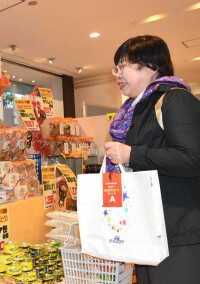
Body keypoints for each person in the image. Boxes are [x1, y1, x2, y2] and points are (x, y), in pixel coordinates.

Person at [104, 35, 200, 283]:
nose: (118, 74)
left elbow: (193, 158)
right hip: (147, 229)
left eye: (125, 65)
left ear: (152, 68)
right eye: (117, 67)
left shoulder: (174, 99)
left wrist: (132, 154)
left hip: (178, 233)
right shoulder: (135, 112)